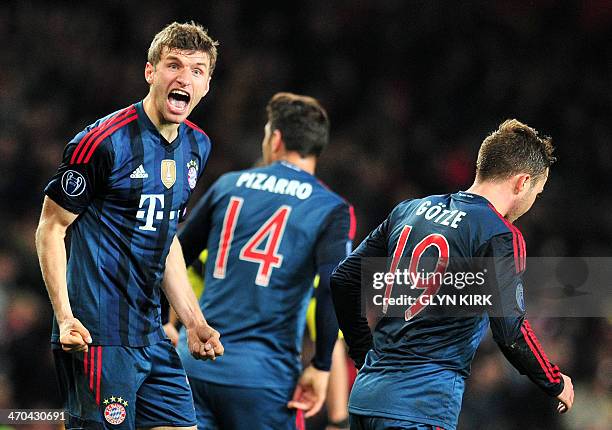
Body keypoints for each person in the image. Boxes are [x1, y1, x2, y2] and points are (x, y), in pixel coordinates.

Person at [35, 21, 223, 430]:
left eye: (197, 70)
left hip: (151, 332)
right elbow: (51, 228)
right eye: (173, 65)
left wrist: (193, 320)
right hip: (98, 334)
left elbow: (165, 235)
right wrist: (65, 317)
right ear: (150, 72)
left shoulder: (197, 146)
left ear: (206, 84)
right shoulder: (102, 142)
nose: (184, 77)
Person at [330, 120, 575, 430]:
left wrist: (362, 350)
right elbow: (510, 330)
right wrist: (554, 379)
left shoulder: (410, 209)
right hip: (420, 406)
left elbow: (343, 279)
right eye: (537, 193)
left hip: (366, 398)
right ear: (522, 183)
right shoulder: (499, 234)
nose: (531, 203)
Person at [173, 92, 356, 430]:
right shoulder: (331, 208)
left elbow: (173, 253)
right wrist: (320, 366)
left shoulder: (228, 185)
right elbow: (336, 285)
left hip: (191, 367)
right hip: (263, 380)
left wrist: (165, 321)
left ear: (275, 138)